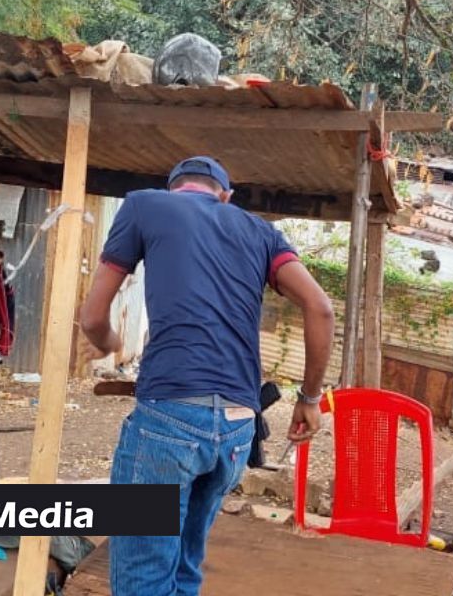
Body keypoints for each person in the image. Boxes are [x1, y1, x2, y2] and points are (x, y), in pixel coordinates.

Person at [79, 155, 335, 596]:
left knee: (144, 579)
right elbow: (321, 308)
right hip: (237, 428)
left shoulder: (144, 206)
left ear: (174, 188)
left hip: (169, 419)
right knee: (184, 568)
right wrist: (309, 400)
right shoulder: (261, 232)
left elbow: (92, 318)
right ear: (225, 196)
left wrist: (109, 343)